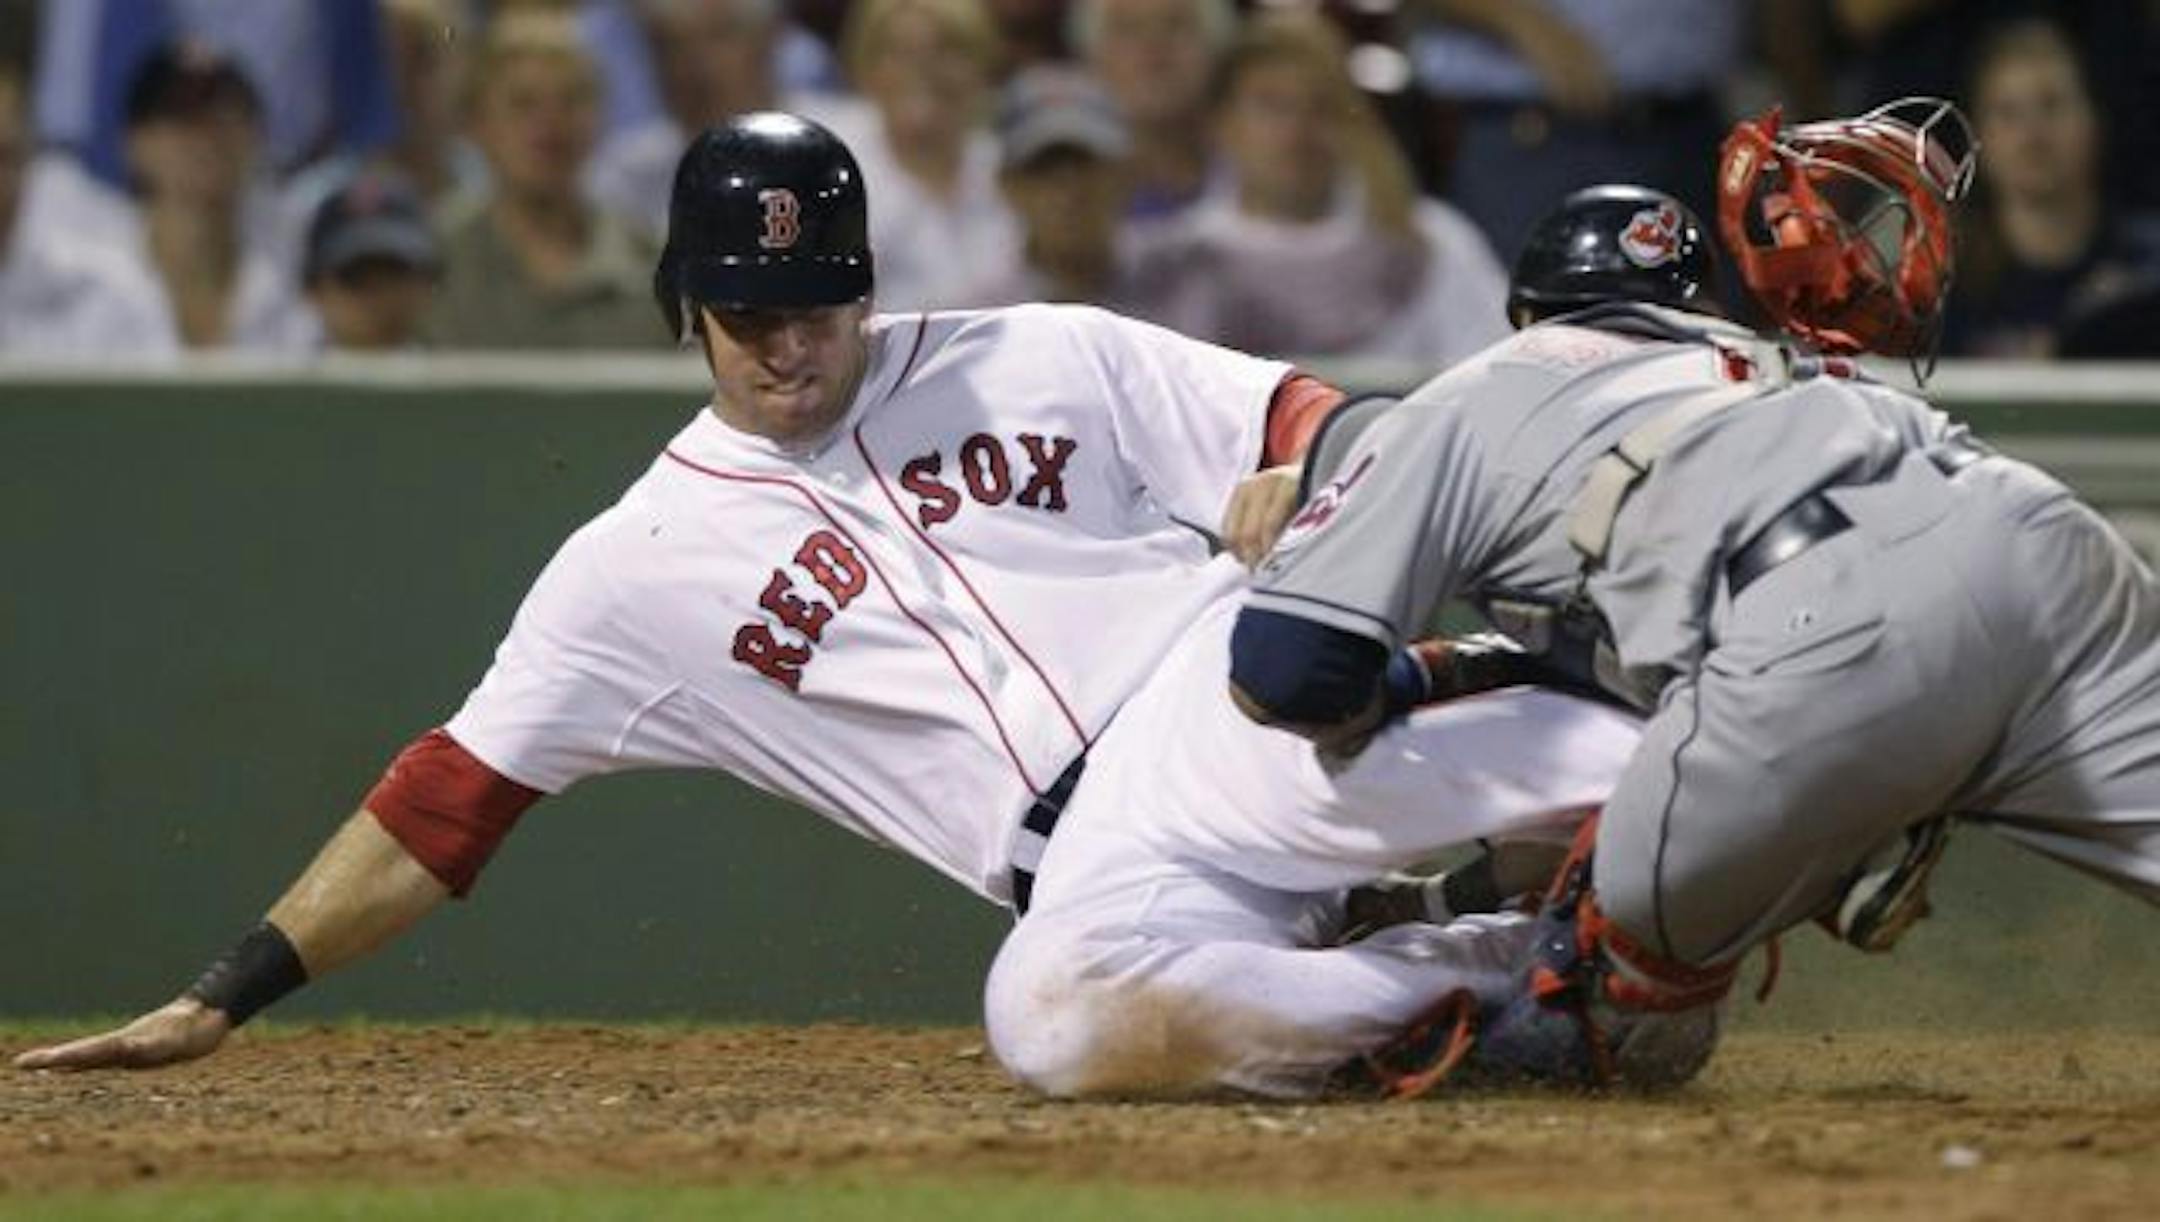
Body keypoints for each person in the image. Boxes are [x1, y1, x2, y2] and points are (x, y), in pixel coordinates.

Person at [13, 111, 1653, 1101]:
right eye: (750, 310)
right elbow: (447, 802)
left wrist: (1317, 482)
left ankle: (1750, 753)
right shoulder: (632, 568)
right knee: (1053, 1020)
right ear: (682, 304)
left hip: (1238, 712)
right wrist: (219, 993)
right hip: (1100, 867)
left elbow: (1326, 422)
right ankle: (1508, 977)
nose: (791, 341)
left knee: (1638, 750)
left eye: (820, 303)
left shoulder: (1045, 352)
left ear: (866, 283)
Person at [1227, 100, 2160, 1083]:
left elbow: (1286, 673)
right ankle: (1869, 806)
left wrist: (1388, 695)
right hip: (2037, 538)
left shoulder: (1473, 392)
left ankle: (1846, 829)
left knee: (1596, 1008)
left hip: (1821, 624)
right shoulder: (1765, 363)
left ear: (1532, 313)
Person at [1177, 10, 1509, 365]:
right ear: (1221, 123)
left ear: (1351, 123)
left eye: (1319, 107)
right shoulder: (1174, 264)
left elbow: (1495, 375)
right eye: (1271, 105)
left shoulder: (1434, 242)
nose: (1297, 130)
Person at [427, 11, 667, 351]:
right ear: (478, 124)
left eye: (571, 100)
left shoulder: (650, 266)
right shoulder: (436, 261)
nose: (550, 123)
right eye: (523, 104)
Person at [1943, 17, 2160, 359]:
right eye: (2008, 113)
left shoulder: (2148, 273)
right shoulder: (1944, 289)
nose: (2032, 134)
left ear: (2095, 122)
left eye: (2052, 105)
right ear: (1978, 138)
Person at [302, 170, 442, 353]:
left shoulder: (466, 377)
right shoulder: (276, 378)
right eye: (358, 279)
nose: (383, 299)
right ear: (314, 292)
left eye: (397, 273)